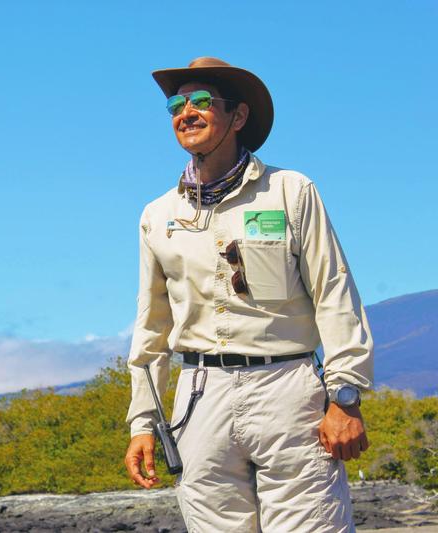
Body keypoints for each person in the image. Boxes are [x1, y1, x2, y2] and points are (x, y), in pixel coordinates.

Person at [123, 57, 373, 532]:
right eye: (176, 104)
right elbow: (151, 326)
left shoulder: (290, 192)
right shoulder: (157, 215)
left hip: (288, 387)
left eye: (201, 102)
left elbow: (334, 291)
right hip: (199, 397)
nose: (185, 112)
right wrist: (142, 424)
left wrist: (345, 396)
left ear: (237, 117)